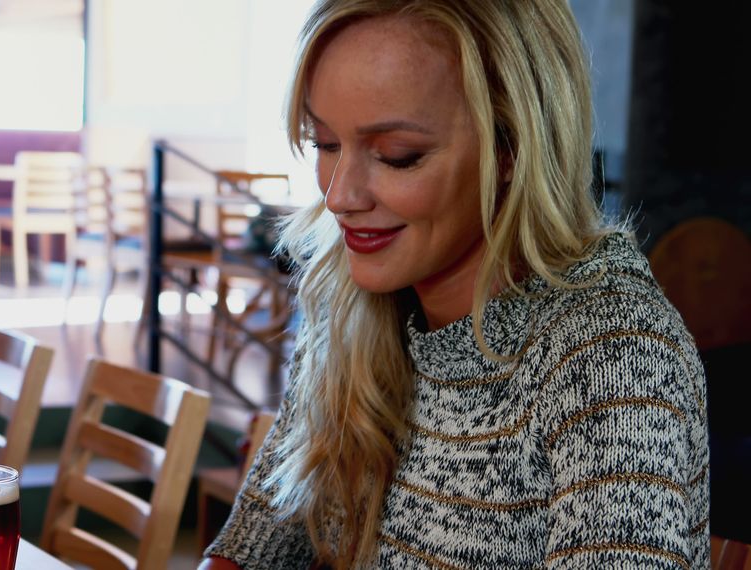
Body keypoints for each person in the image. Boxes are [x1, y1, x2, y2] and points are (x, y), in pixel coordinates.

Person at [199, 0, 709, 568]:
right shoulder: (346, 305)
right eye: (325, 144)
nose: (340, 196)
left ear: (513, 144)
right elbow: (256, 543)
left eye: (398, 156)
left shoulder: (612, 352)